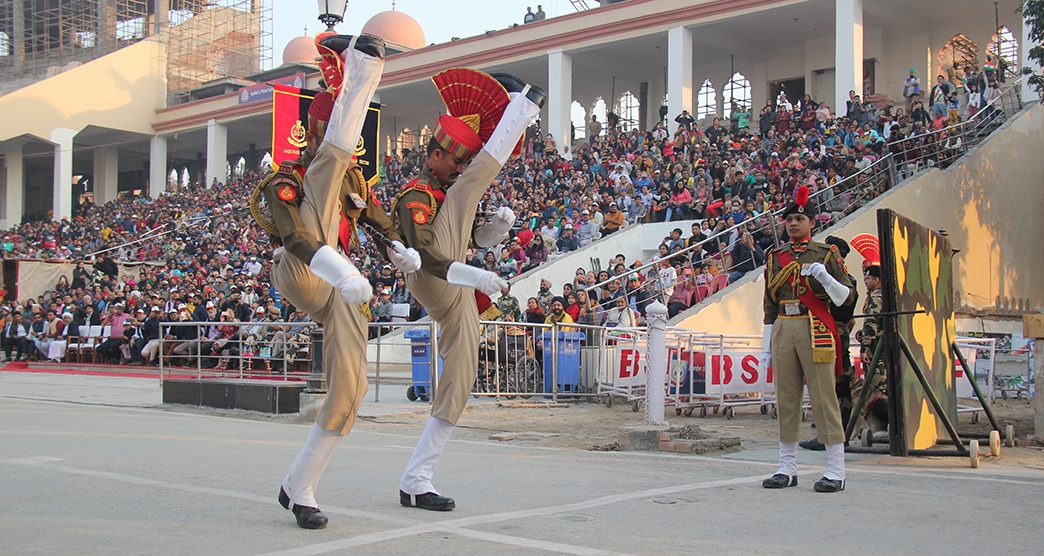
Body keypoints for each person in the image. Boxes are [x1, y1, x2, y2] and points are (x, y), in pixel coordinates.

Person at [264, 34, 421, 530]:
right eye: (337, 136)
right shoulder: (285, 180)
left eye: (352, 141)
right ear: (312, 134)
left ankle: (299, 485)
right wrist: (345, 271)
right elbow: (293, 239)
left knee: (351, 389)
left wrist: (398, 249)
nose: (350, 150)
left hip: (343, 292)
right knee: (325, 177)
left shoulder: (353, 182)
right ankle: (362, 73)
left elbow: (379, 222)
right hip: (303, 272)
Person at [391, 69, 543, 512]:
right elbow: (427, 254)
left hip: (452, 285)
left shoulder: (442, 194)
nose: (457, 167)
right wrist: (475, 276)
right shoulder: (417, 194)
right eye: (453, 161)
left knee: (461, 378)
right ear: (434, 153)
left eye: (461, 162)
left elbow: (469, 240)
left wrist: (495, 232)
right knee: (469, 188)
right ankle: (521, 108)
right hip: (432, 275)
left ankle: (417, 479)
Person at [759, 185, 855, 493]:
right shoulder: (776, 257)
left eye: (799, 218)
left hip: (815, 325)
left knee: (824, 397)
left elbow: (845, 299)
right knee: (786, 398)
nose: (793, 223)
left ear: (812, 222)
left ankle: (836, 470)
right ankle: (787, 467)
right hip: (785, 325)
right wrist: (766, 342)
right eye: (789, 219)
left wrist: (825, 277)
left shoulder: (826, 254)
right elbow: (769, 304)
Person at [799, 235, 859, 451]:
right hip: (828, 333)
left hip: (834, 335)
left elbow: (841, 309)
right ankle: (834, 433)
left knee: (834, 386)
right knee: (831, 386)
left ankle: (834, 435)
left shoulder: (844, 281)